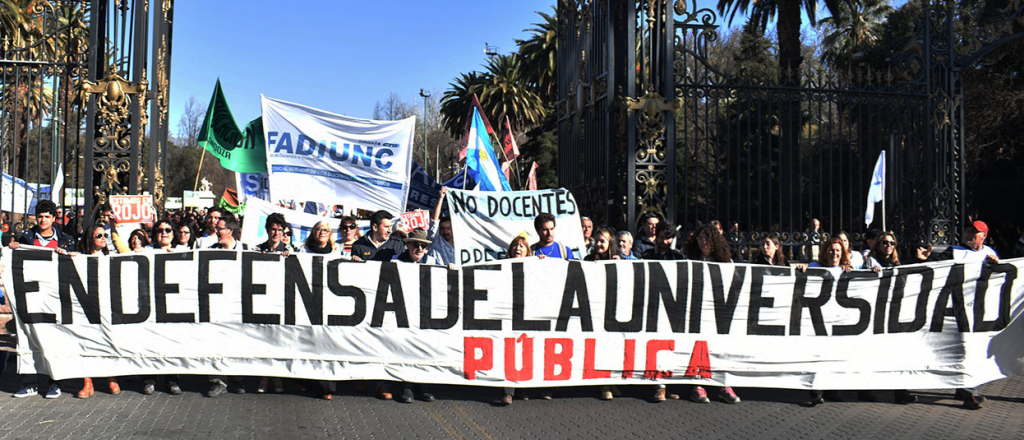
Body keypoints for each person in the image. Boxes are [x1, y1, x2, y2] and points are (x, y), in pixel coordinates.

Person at [10, 200, 73, 399]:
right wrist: (13, 248)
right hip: (30, 297)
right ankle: (30, 383)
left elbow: (77, 262)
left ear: (54, 219)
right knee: (29, 338)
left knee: (55, 340)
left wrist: (67, 256)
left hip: (55, 297)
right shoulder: (26, 239)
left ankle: (55, 383)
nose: (43, 220)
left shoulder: (66, 240)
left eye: (47, 216)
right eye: (40, 216)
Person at [682, 224, 741, 405]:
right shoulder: (689, 259)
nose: (703, 242)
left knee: (720, 347)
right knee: (698, 348)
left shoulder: (725, 261)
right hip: (696, 311)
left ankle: (724, 386)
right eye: (700, 238)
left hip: (718, 311)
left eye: (707, 238)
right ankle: (698, 385)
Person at [858, 231, 918, 405]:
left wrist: (921, 260)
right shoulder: (871, 261)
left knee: (896, 353)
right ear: (878, 245)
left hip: (893, 314)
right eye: (884, 243)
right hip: (874, 315)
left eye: (892, 243)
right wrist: (870, 272)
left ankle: (900, 390)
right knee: (872, 353)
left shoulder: (897, 263)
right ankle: (865, 389)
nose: (888, 246)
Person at [943, 220, 997, 409]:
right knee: (965, 349)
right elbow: (935, 267)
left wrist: (996, 266)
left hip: (979, 311)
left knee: (972, 351)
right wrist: (925, 259)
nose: (968, 234)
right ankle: (969, 394)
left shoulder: (989, 253)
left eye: (974, 232)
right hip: (958, 309)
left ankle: (962, 388)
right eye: (967, 230)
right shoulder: (954, 251)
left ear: (983, 236)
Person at [72, 224, 123, 399]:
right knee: (85, 342)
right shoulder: (79, 258)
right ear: (90, 239)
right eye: (98, 235)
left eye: (104, 235)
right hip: (85, 307)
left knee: (107, 340)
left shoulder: (111, 257)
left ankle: (111, 376)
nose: (103, 238)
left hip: (107, 307)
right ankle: (87, 381)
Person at [800, 238, 852, 405]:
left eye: (838, 251)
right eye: (831, 250)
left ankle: (832, 390)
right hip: (816, 321)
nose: (834, 253)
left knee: (833, 356)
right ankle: (815, 391)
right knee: (817, 356)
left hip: (835, 321)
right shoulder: (815, 267)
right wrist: (803, 269)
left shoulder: (845, 270)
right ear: (825, 252)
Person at [426, 187, 455, 265]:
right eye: (442, 228)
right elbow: (433, 221)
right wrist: (441, 198)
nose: (446, 232)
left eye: (448, 228)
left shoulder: (459, 246)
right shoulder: (435, 241)